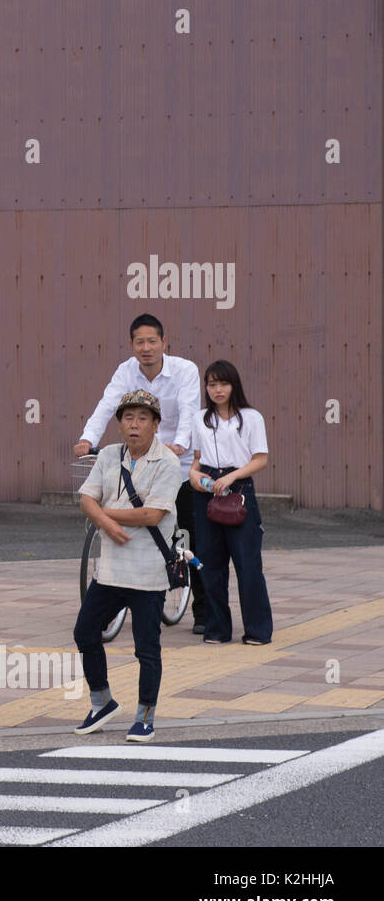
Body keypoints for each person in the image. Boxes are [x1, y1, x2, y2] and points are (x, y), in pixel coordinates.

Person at [73, 313, 206, 632]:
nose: (146, 348)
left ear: (164, 342)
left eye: (152, 341)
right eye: (139, 342)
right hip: (137, 454)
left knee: (191, 532)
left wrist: (179, 444)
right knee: (125, 511)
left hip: (177, 459)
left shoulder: (185, 370)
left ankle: (203, 610)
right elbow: (107, 404)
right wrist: (87, 437)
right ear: (132, 345)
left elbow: (189, 410)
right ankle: (112, 600)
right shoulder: (126, 371)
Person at [73, 390, 181, 742]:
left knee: (146, 648)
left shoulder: (167, 462)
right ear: (119, 424)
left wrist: (104, 515)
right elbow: (86, 498)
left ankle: (146, 715)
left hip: (148, 571)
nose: (135, 425)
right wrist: (105, 522)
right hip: (111, 570)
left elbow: (151, 513)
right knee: (85, 631)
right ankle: (101, 700)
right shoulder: (107, 455)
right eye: (128, 418)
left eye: (143, 418)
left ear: (156, 425)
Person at [188, 360, 274, 645]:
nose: (217, 389)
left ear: (233, 385)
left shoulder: (251, 417)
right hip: (207, 490)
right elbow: (197, 459)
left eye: (223, 383)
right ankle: (216, 629)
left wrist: (231, 478)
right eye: (211, 384)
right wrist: (193, 474)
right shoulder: (200, 418)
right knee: (210, 564)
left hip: (239, 488)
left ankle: (258, 630)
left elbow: (260, 459)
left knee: (248, 564)